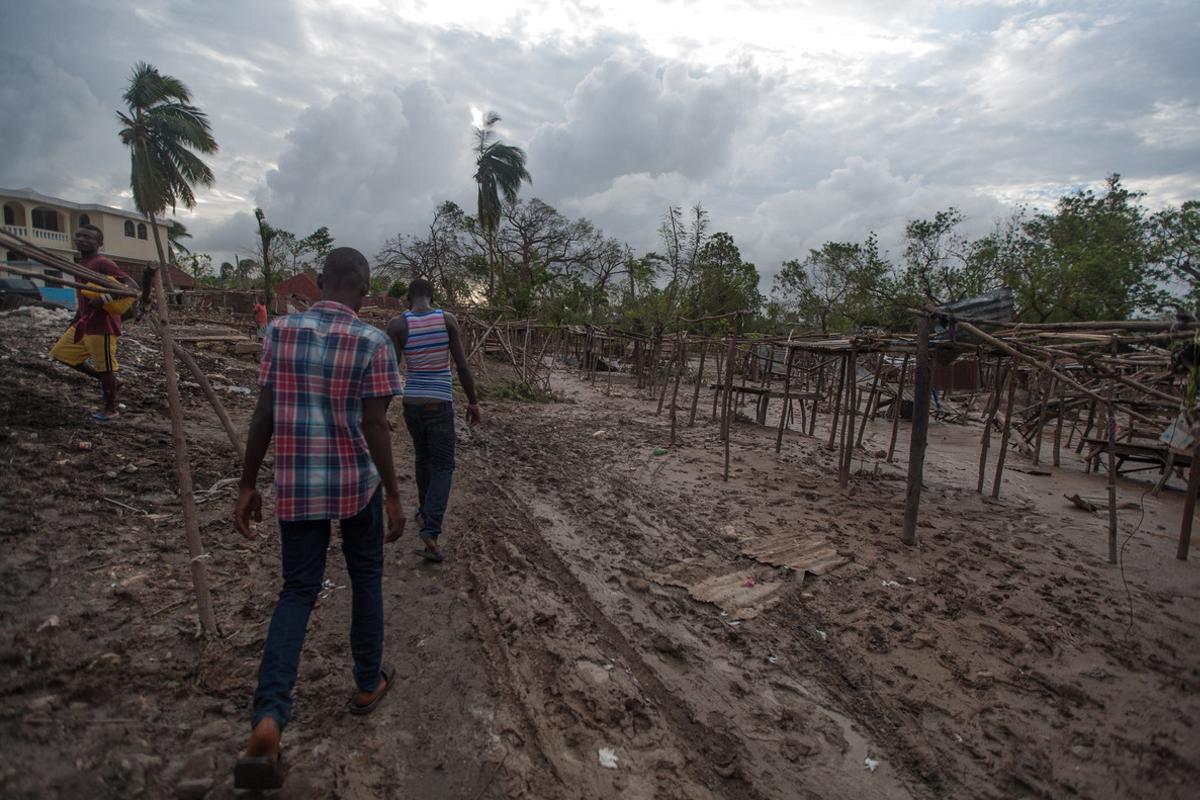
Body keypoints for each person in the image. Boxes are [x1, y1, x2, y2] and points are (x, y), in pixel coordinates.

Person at [232, 247, 405, 791]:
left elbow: (264, 412)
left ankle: (268, 719)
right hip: (356, 485)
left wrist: (247, 482)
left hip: (298, 483)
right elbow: (375, 425)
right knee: (366, 577)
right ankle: (365, 682)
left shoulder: (279, 333)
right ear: (364, 290)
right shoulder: (373, 342)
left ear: (322, 282)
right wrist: (396, 494)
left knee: (298, 590)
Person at [386, 278, 480, 563]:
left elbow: (389, 371)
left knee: (423, 458)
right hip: (439, 403)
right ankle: (431, 529)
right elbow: (462, 365)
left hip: (411, 403)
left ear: (408, 299)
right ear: (432, 296)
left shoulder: (397, 325)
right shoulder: (447, 320)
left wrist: (382, 409)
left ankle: (425, 511)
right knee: (444, 464)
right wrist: (473, 401)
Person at [48, 224, 137, 422]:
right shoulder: (81, 263)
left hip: (102, 326)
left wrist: (105, 298)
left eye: (88, 237)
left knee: (105, 368)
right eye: (79, 236)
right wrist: (73, 322)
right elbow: (83, 299)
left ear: (99, 243)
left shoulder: (102, 262)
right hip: (84, 322)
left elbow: (132, 286)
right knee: (61, 353)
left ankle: (111, 408)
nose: (81, 240)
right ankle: (114, 382)